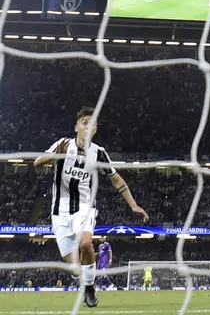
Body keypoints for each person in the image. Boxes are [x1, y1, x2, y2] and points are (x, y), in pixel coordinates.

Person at [34, 107, 148, 308]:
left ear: (96, 129)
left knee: (86, 243)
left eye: (92, 123)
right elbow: (37, 162)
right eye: (84, 122)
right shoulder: (63, 145)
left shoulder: (99, 153)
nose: (87, 126)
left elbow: (116, 180)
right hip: (59, 212)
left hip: (85, 207)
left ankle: (89, 289)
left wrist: (134, 205)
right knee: (74, 267)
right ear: (76, 126)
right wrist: (54, 157)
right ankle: (88, 279)